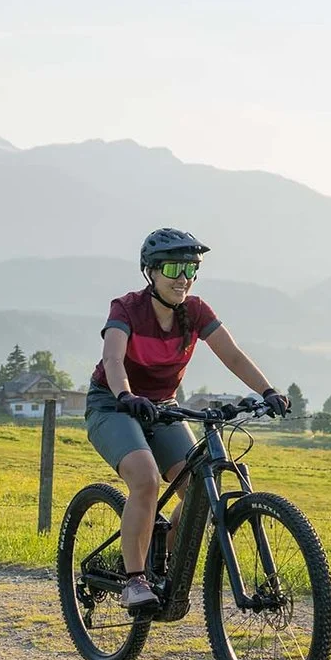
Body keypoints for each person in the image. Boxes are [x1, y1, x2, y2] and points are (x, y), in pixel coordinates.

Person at [86, 227, 288, 617]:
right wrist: (126, 395)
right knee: (144, 478)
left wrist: (268, 391)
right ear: (151, 272)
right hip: (113, 404)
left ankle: (162, 556)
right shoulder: (126, 308)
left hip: (164, 406)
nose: (183, 279)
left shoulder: (196, 311)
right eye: (175, 268)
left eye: (191, 270)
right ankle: (134, 580)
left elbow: (232, 355)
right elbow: (113, 359)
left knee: (197, 486)